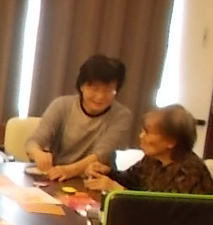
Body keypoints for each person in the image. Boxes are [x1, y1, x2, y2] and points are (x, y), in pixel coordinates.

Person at [25, 54, 134, 182]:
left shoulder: (122, 115)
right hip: (56, 176)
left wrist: (69, 170)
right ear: (82, 86)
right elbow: (33, 141)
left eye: (108, 90)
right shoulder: (62, 105)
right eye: (94, 89)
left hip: (95, 180)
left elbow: (100, 155)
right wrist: (37, 153)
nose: (100, 96)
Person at [85, 104, 213, 196]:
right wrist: (107, 171)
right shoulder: (153, 159)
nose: (141, 136)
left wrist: (116, 189)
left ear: (171, 141)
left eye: (148, 133)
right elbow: (131, 180)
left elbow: (161, 211)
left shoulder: (189, 171)